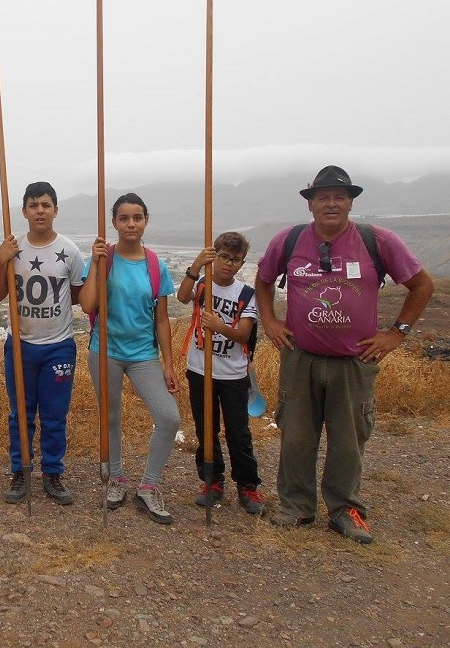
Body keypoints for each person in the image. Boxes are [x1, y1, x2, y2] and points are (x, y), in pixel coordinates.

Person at [256, 166, 433, 544]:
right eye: (323, 196)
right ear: (311, 204)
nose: (331, 203)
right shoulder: (287, 241)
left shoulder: (376, 241)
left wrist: (396, 333)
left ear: (351, 202)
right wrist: (269, 321)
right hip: (300, 356)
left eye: (339, 196)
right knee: (297, 435)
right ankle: (296, 506)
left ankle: (344, 509)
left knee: (349, 438)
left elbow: (421, 284)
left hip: (355, 361)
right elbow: (263, 279)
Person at [79, 193, 180, 524]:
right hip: (104, 349)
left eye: (137, 217)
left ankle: (148, 486)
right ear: (114, 223)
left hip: (143, 354)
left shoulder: (156, 265)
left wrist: (168, 363)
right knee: (111, 417)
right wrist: (95, 264)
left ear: (146, 221)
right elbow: (88, 305)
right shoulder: (103, 258)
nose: (131, 223)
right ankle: (116, 480)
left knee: (168, 417)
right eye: (124, 218)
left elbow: (162, 319)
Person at [0, 181, 85, 505]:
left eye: (46, 204)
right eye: (33, 205)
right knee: (21, 414)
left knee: (55, 414)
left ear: (55, 210)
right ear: (24, 211)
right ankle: (21, 469)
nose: (40, 210)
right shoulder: (12, 247)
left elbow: (77, 297)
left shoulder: (70, 251)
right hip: (20, 344)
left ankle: (53, 473)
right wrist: (1, 261)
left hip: (59, 345)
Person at [176, 232, 265, 515]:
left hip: (232, 374)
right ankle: (212, 481)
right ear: (216, 256)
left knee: (238, 432)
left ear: (242, 263)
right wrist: (196, 265)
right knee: (206, 429)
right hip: (200, 370)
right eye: (224, 257)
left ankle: (248, 485)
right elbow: (181, 296)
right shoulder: (203, 285)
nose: (228, 264)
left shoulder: (246, 295)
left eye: (235, 260)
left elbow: (243, 333)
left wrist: (218, 325)